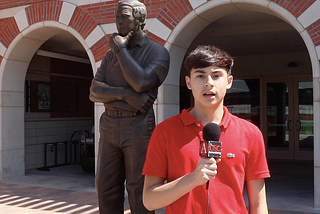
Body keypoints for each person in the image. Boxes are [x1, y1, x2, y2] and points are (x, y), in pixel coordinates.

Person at [142, 45, 270, 213]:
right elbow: (150, 201)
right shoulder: (164, 131)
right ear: (189, 82)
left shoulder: (250, 134)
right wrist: (192, 179)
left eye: (216, 76)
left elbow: (258, 204)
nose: (208, 83)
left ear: (229, 82)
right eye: (200, 76)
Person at [89, 0, 170, 213]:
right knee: (105, 187)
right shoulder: (110, 54)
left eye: (124, 16)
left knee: (138, 187)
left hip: (138, 125)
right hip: (109, 125)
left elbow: (141, 82)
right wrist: (125, 95)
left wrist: (121, 50)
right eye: (117, 17)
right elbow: (94, 91)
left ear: (140, 19)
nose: (119, 21)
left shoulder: (157, 53)